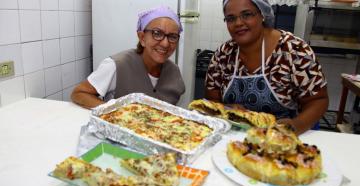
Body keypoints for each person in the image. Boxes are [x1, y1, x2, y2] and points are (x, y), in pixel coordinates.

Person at [205, 0, 329, 134]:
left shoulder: (294, 50)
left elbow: (318, 100)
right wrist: (227, 108)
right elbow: (212, 100)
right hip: (233, 137)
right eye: (231, 18)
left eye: (246, 15)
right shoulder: (223, 55)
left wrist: (296, 125)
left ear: (262, 14)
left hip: (282, 138)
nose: (238, 23)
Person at [71, 6, 185, 109]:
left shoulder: (174, 72)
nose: (165, 43)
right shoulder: (117, 65)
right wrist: (115, 112)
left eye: (173, 36)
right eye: (157, 33)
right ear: (142, 38)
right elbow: (79, 93)